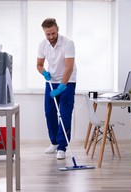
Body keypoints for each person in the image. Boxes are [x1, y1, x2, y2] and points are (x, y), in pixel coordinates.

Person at [36, 18, 77, 160]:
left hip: (68, 81)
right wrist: (44, 72)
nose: (51, 37)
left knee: (65, 114)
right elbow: (39, 65)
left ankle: (62, 147)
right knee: (50, 112)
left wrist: (62, 87)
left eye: (53, 33)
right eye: (48, 34)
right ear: (44, 33)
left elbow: (69, 67)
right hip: (51, 81)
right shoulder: (42, 45)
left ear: (57, 29)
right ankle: (54, 142)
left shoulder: (68, 43)